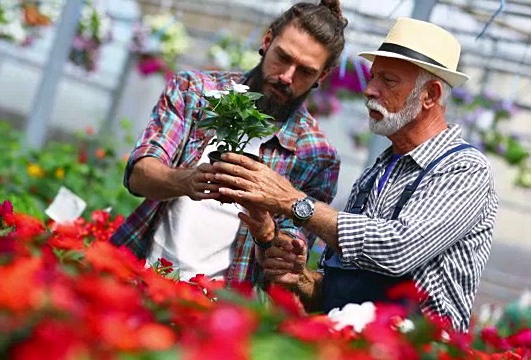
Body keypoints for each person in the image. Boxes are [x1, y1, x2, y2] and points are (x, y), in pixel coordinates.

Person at [210, 17, 498, 332]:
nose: (369, 89)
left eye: (388, 81)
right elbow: (337, 295)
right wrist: (300, 277)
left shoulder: (463, 169)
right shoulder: (377, 172)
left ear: (430, 95)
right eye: (373, 77)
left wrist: (292, 201)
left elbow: (397, 249)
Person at [110, 1, 348, 285]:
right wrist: (185, 181)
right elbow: (139, 174)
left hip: (215, 307)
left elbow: (284, 257)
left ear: (322, 76)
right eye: (282, 57)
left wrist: (267, 232)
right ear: (267, 41)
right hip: (139, 274)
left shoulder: (316, 155)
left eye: (305, 71)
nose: (287, 76)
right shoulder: (196, 92)